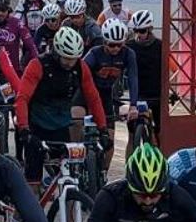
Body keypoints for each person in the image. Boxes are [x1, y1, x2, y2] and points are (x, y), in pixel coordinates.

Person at [16, 26, 108, 187]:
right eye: (66, 58)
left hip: (61, 126)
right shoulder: (38, 65)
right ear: (57, 52)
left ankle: (70, 206)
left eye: (74, 58)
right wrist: (24, 128)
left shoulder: (80, 67)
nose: (70, 63)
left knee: (70, 180)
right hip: (36, 126)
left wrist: (103, 129)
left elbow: (93, 98)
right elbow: (22, 98)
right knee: (33, 182)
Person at [83, 18, 140, 174]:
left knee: (110, 137)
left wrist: (133, 105)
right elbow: (79, 74)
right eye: (111, 45)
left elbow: (134, 78)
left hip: (106, 94)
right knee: (77, 120)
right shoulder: (95, 53)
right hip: (87, 92)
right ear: (104, 42)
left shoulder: (129, 54)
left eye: (119, 45)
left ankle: (103, 173)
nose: (115, 49)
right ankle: (77, 160)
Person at [128, 10, 164, 140]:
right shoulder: (129, 46)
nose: (138, 34)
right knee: (132, 135)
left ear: (150, 29)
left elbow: (171, 69)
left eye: (142, 31)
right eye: (136, 30)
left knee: (160, 132)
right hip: (138, 94)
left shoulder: (160, 46)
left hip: (157, 94)